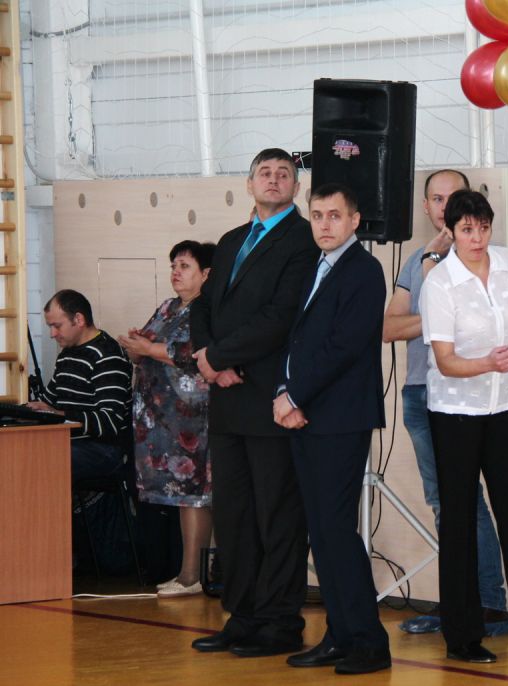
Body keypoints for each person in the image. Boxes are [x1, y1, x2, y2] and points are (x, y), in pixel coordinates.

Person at [189, 148, 318, 657]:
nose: (274, 179)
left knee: (277, 516)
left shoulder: (303, 240)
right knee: (235, 516)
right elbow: (203, 305)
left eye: (284, 174)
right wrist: (208, 359)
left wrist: (220, 356)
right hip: (227, 399)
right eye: (265, 173)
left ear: (296, 188)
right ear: (249, 184)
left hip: (270, 399)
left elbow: (281, 316)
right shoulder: (231, 241)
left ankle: (279, 622)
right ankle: (240, 617)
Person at [419, 190, 508, 664]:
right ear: (451, 231)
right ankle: (462, 636)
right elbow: (445, 362)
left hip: (502, 408)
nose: (477, 238)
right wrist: (488, 364)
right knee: (459, 521)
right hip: (454, 413)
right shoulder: (440, 282)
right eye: (467, 229)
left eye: (483, 228)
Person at [383, 170, 508, 634]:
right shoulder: (418, 261)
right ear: (426, 207)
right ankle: (459, 600)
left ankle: (490, 603)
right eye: (436, 199)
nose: (444, 206)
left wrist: (436, 310)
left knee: (471, 500)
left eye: (453, 197)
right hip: (421, 393)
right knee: (443, 502)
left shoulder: (487, 260)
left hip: (471, 397)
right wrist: (436, 310)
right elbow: (388, 328)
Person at [273, 183, 390, 675]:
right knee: (321, 532)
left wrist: (296, 396)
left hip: (340, 418)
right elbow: (296, 339)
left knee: (337, 531)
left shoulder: (364, 270)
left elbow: (344, 346)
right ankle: (340, 634)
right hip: (308, 414)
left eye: (334, 215)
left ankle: (368, 641)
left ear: (354, 220)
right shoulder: (315, 265)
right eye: (317, 215)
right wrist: (284, 390)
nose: (324, 224)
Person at [118, 240, 216, 598]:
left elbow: (194, 354)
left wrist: (149, 349)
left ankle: (192, 575)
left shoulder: (209, 308)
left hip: (190, 418)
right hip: (159, 419)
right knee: (178, 494)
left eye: (185, 266)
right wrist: (137, 346)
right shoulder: (167, 307)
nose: (176, 271)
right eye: (174, 265)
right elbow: (149, 346)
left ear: (206, 274)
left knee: (194, 495)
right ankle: (185, 572)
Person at [28, 290, 132, 483]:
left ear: (78, 319)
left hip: (103, 449)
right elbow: (48, 404)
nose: (52, 334)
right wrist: (27, 411)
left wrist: (59, 414)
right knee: (17, 450)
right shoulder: (67, 354)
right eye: (50, 327)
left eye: (57, 326)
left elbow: (109, 423)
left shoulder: (108, 355)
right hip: (69, 443)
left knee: (35, 460)